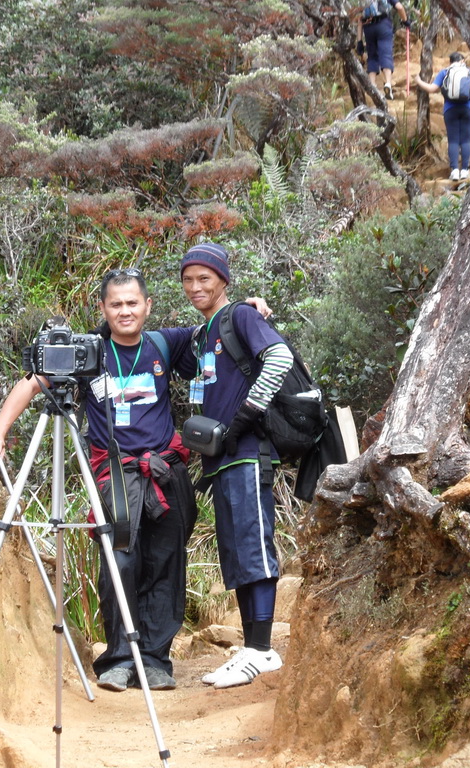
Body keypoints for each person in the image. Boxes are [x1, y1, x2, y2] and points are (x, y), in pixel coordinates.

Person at [0, 269, 268, 694]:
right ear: (103, 308)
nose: (125, 311)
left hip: (166, 470)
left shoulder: (166, 344)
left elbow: (216, 328)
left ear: (147, 306)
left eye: (132, 303)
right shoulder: (89, 352)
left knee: (166, 564)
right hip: (115, 473)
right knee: (119, 564)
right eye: (116, 304)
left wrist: (246, 310)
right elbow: (33, 382)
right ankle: (118, 660)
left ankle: (155, 660)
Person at [178, 242, 293, 690]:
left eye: (204, 278)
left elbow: (279, 357)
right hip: (221, 460)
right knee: (238, 554)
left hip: (247, 452)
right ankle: (252, 648)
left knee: (253, 547)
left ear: (223, 280)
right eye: (188, 280)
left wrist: (245, 415)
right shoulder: (202, 333)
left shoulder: (240, 316)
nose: (195, 287)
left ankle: (262, 650)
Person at [414, 52, 470, 182]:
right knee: (466, 140)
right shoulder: (469, 72)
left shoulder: (444, 72)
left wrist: (418, 81)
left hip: (450, 109)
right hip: (468, 109)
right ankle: (464, 170)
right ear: (462, 61)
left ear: (450, 61)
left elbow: (431, 89)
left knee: (453, 140)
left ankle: (454, 171)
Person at [357, 0, 410, 102]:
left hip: (368, 27)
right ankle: (388, 84)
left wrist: (359, 41)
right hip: (383, 24)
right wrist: (405, 20)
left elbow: (359, 19)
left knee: (372, 56)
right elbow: (399, 7)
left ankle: (372, 86)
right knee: (385, 53)